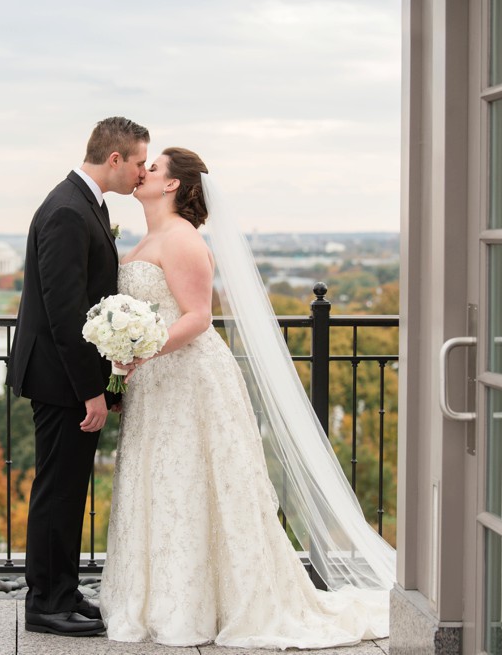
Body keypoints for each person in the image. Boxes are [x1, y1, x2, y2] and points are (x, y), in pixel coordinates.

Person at [99, 147, 393, 649]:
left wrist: (142, 348)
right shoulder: (150, 237)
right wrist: (122, 355)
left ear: (172, 185)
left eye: (153, 167)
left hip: (190, 380)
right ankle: (160, 598)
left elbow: (196, 317)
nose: (142, 170)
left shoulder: (184, 239)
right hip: (156, 382)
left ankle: (202, 605)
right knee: (163, 483)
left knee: (193, 480)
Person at [6, 116, 149, 637]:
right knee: (58, 491)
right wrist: (92, 390)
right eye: (138, 162)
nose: (141, 172)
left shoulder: (85, 203)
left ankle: (63, 590)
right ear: (114, 159)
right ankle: (45, 602)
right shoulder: (68, 211)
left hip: (65, 375)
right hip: (59, 378)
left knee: (68, 489)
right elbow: (65, 312)